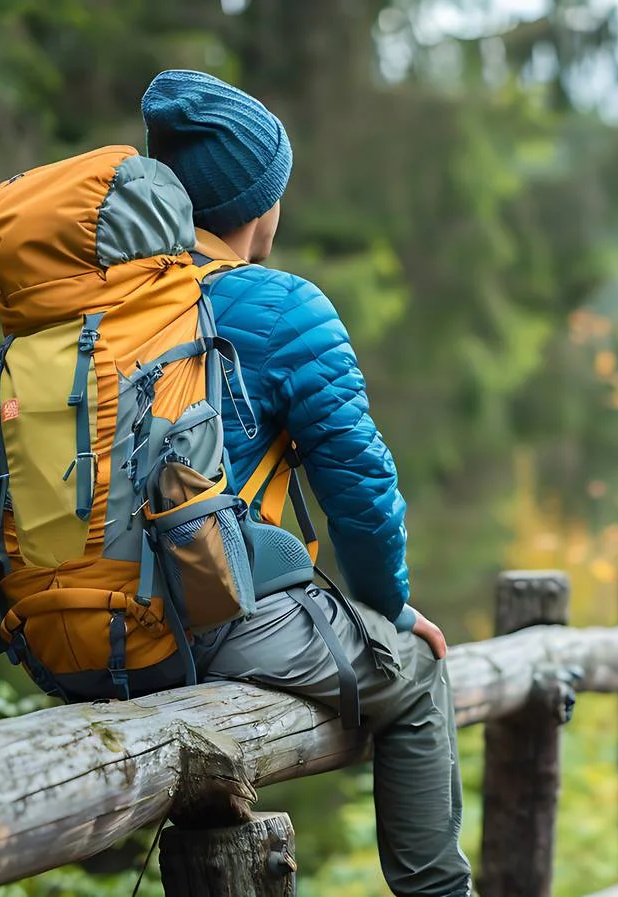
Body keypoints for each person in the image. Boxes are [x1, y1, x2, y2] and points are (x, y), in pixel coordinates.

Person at [140, 69, 473, 897]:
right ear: (260, 205)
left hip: (78, 635)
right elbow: (360, 488)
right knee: (418, 673)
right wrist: (391, 610)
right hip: (202, 625)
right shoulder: (282, 307)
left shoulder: (103, 305)